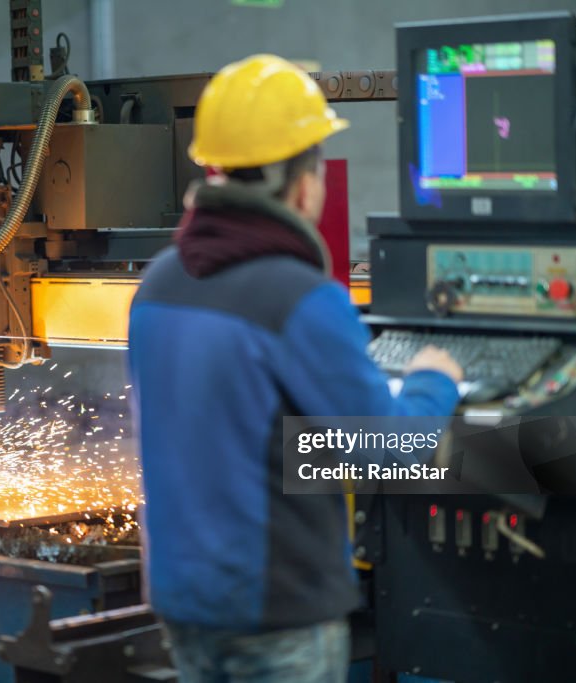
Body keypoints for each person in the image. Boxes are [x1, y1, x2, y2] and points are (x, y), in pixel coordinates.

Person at [127, 54, 463, 683]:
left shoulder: (158, 285)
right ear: (302, 181)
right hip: (274, 614)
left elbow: (234, 424)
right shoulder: (300, 298)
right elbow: (391, 448)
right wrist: (433, 378)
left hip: (180, 603)